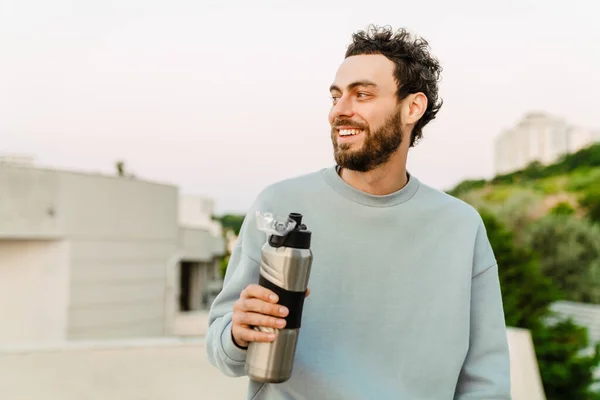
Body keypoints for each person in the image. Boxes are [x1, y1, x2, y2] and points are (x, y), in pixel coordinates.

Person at [206, 25, 512, 400]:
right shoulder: (279, 205)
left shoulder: (461, 227)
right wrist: (238, 332)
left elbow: (487, 378)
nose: (340, 111)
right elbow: (221, 349)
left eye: (361, 94)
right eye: (336, 96)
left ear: (412, 107)